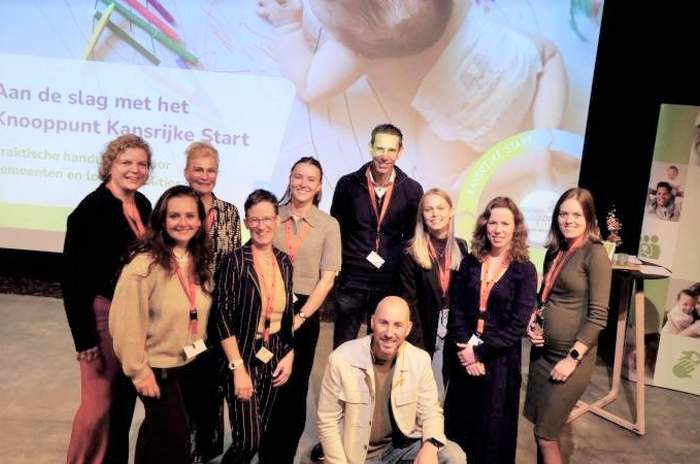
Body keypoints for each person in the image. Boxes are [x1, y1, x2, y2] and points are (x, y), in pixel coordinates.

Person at [256, 0, 569, 191]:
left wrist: (288, 26)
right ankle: (546, 135)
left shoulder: (360, 51)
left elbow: (308, 85)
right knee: (550, 53)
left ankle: (528, 162)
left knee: (443, 182)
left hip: (476, 128)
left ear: (346, 37)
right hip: (517, 70)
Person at [62, 134, 152, 464]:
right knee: (97, 407)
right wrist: (84, 339)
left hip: (134, 316)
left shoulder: (143, 205)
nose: (134, 169)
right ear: (110, 164)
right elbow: (72, 282)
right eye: (126, 162)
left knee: (122, 404)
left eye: (142, 164)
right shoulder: (90, 211)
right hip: (102, 318)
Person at [109, 185, 213, 464]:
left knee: (156, 435)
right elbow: (125, 324)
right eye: (174, 216)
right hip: (156, 368)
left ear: (200, 221)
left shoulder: (195, 258)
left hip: (185, 364)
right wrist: (139, 371)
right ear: (162, 220)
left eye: (190, 216)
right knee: (177, 444)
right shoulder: (144, 266)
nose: (183, 223)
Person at [257, 157, 342, 464]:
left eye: (311, 179)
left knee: (293, 390)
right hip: (267, 306)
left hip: (305, 311)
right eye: (298, 176)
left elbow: (328, 278)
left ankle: (282, 456)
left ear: (319, 187)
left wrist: (301, 316)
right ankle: (263, 451)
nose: (303, 183)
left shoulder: (328, 225)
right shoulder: (272, 215)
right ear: (290, 179)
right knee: (264, 382)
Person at [317, 296, 466, 464]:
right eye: (383, 323)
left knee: (453, 456)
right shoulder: (341, 359)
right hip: (358, 456)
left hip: (399, 449)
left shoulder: (420, 359)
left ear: (408, 329)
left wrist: (430, 446)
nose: (389, 333)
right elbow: (328, 420)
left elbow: (431, 410)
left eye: (398, 325)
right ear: (372, 322)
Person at [444, 196, 537, 464]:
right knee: (458, 430)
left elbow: (516, 326)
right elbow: (457, 310)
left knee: (491, 437)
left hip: (499, 364)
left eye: (505, 223)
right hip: (464, 356)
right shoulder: (470, 262)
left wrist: (479, 353)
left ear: (516, 228)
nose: (498, 229)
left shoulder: (525, 270)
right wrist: (467, 352)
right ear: (485, 225)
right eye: (493, 222)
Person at [524, 187, 612, 464]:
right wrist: (533, 322)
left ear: (589, 218)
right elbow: (544, 296)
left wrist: (572, 359)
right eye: (563, 214)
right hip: (541, 356)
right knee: (539, 429)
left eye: (576, 215)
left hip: (570, 360)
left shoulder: (595, 254)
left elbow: (598, 316)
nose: (568, 220)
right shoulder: (556, 250)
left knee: (547, 436)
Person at [213, 189, 295, 464]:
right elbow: (222, 317)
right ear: (247, 222)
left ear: (277, 220)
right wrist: (238, 369)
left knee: (259, 432)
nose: (261, 226)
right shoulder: (234, 262)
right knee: (248, 441)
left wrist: (289, 352)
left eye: (267, 219)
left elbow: (287, 314)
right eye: (255, 220)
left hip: (273, 354)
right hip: (242, 355)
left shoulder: (284, 262)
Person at [330, 123, 423, 348]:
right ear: (370, 147)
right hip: (352, 278)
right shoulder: (347, 184)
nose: (384, 155)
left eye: (391, 150)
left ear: (400, 152)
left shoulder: (412, 189)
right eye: (380, 148)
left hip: (388, 281)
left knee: (381, 347)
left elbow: (412, 238)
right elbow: (336, 229)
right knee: (343, 346)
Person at [183, 140, 242, 461]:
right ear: (186, 172)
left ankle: (207, 448)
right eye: (198, 169)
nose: (204, 176)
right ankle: (184, 447)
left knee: (213, 383)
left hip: (218, 312)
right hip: (182, 310)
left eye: (210, 170)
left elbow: (235, 264)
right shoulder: (175, 206)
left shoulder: (230, 213)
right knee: (185, 381)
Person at [399, 188, 467, 399]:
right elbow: (408, 302)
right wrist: (417, 344)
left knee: (447, 392)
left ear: (451, 211)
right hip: (423, 330)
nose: (435, 214)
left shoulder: (461, 247)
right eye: (428, 209)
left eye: (440, 208)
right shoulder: (411, 251)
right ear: (422, 214)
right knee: (421, 391)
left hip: (453, 330)